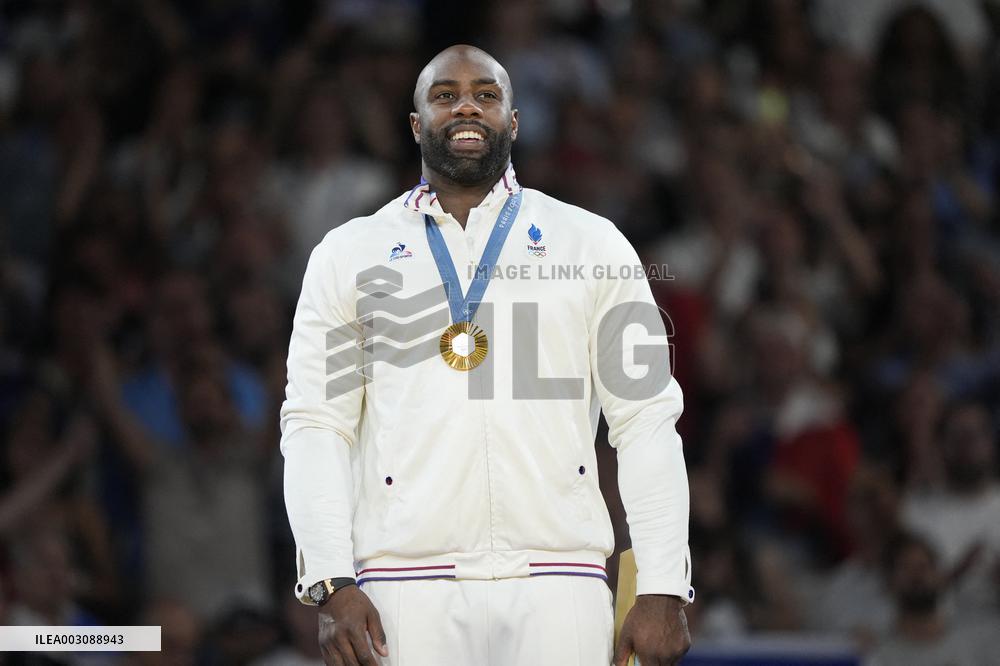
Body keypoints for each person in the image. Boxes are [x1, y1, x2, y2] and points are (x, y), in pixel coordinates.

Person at [281, 45, 693, 666]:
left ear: (514, 122)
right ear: (417, 124)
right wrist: (331, 581)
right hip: (402, 585)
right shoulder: (349, 255)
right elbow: (316, 425)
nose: (466, 105)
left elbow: (645, 420)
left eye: (486, 94)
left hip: (561, 579)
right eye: (444, 95)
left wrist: (663, 584)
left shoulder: (591, 244)